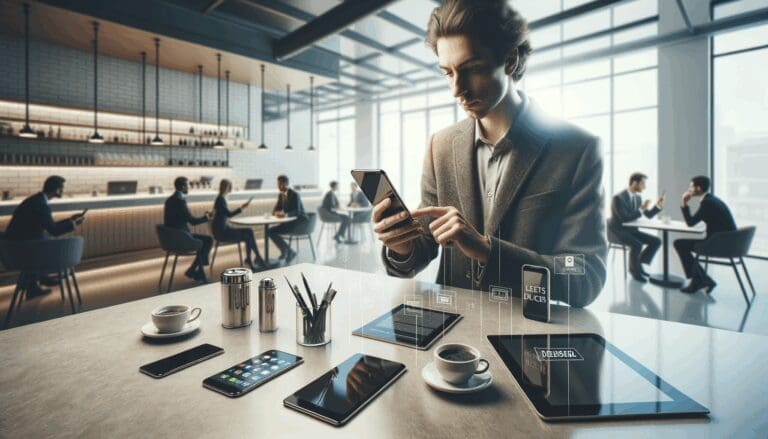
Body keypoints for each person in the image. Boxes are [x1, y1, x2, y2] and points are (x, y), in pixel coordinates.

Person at [374, 0, 606, 307]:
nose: (457, 90)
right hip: (450, 336)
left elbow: (583, 274)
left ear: (510, 61)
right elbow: (426, 244)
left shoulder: (576, 150)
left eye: (472, 69)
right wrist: (400, 245)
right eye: (448, 73)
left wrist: (488, 251)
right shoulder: (440, 146)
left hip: (525, 337)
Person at [5, 175, 86, 296]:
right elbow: (54, 230)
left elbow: (49, 226)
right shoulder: (41, 204)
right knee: (44, 240)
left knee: (42, 238)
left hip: (16, 247)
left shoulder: (37, 200)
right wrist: (73, 224)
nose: (63, 191)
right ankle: (36, 280)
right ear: (57, 189)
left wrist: (70, 220)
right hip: (22, 249)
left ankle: (38, 278)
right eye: (62, 188)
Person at [674, 176, 736, 293]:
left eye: (691, 187)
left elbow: (690, 223)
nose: (689, 189)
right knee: (681, 244)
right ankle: (703, 280)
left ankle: (698, 281)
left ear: (698, 188)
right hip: (730, 243)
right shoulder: (713, 200)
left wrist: (683, 202)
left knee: (679, 244)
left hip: (718, 244)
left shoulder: (707, 203)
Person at [608, 172, 663, 282]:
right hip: (618, 231)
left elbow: (648, 215)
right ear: (634, 183)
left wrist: (657, 206)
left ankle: (637, 265)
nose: (645, 187)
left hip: (631, 230)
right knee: (637, 245)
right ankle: (635, 271)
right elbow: (624, 218)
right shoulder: (618, 198)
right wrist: (641, 209)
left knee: (656, 241)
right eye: (643, 184)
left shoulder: (638, 198)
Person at [164, 176, 213, 283]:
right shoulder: (180, 201)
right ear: (182, 187)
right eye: (188, 185)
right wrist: (207, 217)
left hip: (171, 239)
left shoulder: (169, 201)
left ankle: (195, 271)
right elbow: (193, 222)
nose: (189, 187)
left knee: (204, 241)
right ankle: (195, 271)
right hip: (181, 239)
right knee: (207, 240)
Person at [213, 179, 266, 270]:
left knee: (249, 231)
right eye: (230, 186)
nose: (231, 189)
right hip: (222, 233)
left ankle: (255, 258)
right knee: (247, 236)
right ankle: (254, 258)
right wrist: (241, 208)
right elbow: (229, 214)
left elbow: (226, 215)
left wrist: (241, 208)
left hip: (224, 229)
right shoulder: (221, 199)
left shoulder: (220, 198)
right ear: (226, 188)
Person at [268, 175, 308, 264]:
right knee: (270, 231)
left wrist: (285, 214)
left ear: (285, 184)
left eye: (279, 184)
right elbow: (276, 209)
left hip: (299, 223)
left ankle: (287, 251)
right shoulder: (281, 195)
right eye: (277, 184)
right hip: (289, 222)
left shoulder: (294, 194)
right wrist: (275, 213)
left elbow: (297, 211)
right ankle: (287, 251)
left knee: (271, 231)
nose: (278, 186)